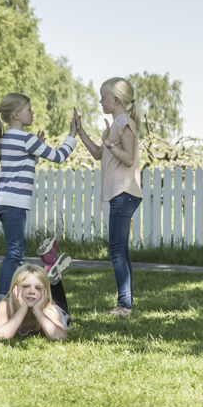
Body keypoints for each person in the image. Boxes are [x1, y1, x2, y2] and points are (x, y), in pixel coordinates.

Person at [0, 92, 78, 304]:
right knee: (14, 253)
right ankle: (3, 300)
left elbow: (21, 167)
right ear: (16, 115)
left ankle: (14, 296)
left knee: (17, 251)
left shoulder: (7, 138)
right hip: (14, 203)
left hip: (4, 201)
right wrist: (72, 135)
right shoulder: (26, 139)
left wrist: (35, 152)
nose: (33, 113)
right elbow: (59, 156)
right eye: (29, 110)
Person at [74, 77, 142, 318]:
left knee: (115, 250)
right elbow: (97, 154)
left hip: (124, 192)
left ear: (116, 99)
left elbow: (129, 158)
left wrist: (110, 144)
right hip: (120, 193)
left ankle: (124, 306)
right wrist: (80, 131)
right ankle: (126, 305)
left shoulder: (124, 122)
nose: (100, 101)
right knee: (120, 250)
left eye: (103, 97)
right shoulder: (115, 124)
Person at [0, 264, 70, 340]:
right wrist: (22, 309)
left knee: (61, 306)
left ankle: (54, 275)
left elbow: (61, 337)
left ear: (45, 291)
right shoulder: (5, 306)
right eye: (25, 286)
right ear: (14, 288)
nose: (32, 291)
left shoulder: (49, 309)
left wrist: (37, 311)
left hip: (58, 312)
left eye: (38, 288)